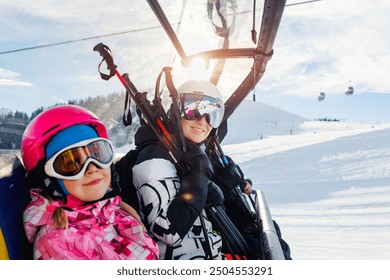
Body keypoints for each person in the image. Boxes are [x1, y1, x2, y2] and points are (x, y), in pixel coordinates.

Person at [131, 80, 282, 260]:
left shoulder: (194, 154)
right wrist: (198, 174)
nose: (203, 121)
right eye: (193, 110)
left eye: (213, 114)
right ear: (175, 110)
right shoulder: (155, 159)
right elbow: (168, 231)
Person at [20, 105, 159, 260]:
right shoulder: (60, 243)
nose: (92, 168)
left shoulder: (109, 210)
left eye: (98, 154)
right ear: (47, 179)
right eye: (72, 163)